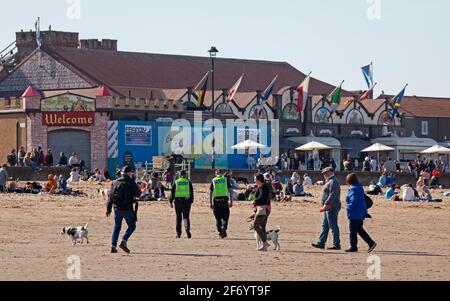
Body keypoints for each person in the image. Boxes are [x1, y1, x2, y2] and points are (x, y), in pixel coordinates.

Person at [106, 166, 141, 254]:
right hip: (127, 208)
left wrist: (108, 209)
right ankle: (123, 241)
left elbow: (110, 196)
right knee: (132, 226)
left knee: (117, 226)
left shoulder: (115, 181)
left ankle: (113, 247)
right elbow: (138, 193)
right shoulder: (131, 182)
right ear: (129, 173)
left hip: (116, 208)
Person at [345, 173, 377, 253]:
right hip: (361, 212)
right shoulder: (359, 187)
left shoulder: (353, 189)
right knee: (359, 229)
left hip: (355, 213)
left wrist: (348, 207)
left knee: (353, 231)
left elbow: (354, 201)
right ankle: (370, 242)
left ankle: (354, 247)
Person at [312, 167, 341, 250]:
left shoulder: (333, 181)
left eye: (325, 173)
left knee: (333, 226)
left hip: (331, 207)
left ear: (330, 172)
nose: (324, 174)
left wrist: (326, 203)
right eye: (323, 173)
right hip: (328, 207)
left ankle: (336, 244)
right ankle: (321, 242)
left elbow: (333, 194)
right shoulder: (331, 181)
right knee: (325, 226)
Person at [170, 170, 194, 239]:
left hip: (178, 201)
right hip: (186, 201)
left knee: (178, 218)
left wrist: (170, 201)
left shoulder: (176, 181)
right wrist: (191, 201)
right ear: (185, 175)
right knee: (186, 217)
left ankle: (178, 234)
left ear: (180, 175)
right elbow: (191, 192)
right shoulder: (188, 182)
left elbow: (172, 192)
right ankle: (187, 228)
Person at [210, 170, 233, 239]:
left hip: (216, 201)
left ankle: (220, 232)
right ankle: (223, 227)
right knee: (226, 216)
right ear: (221, 173)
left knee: (218, 218)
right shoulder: (225, 180)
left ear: (215, 174)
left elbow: (211, 192)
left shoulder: (213, 180)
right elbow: (230, 190)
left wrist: (210, 203)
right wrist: (231, 200)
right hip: (224, 201)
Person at [252, 173, 272, 251]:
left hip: (263, 208)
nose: (254, 180)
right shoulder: (261, 186)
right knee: (262, 227)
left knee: (255, 225)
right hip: (265, 208)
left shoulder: (263, 186)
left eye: (255, 179)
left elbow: (263, 197)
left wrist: (255, 201)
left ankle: (265, 242)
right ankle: (264, 245)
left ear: (258, 179)